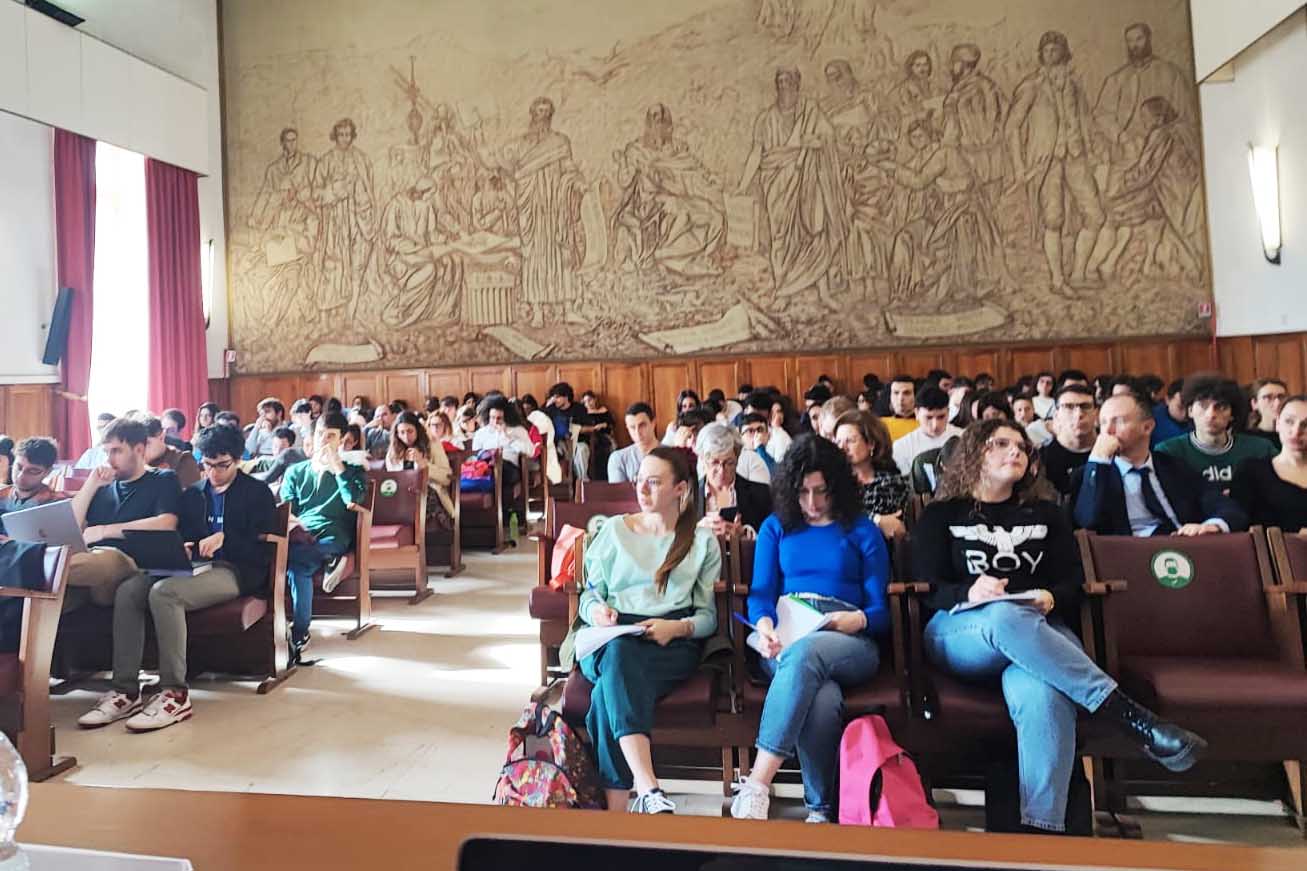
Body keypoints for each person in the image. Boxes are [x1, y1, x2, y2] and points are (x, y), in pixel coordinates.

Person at [915, 419, 1206, 834]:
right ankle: (1128, 716)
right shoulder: (942, 514)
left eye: (1021, 446)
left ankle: (1042, 834)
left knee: (1044, 694)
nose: (1015, 451)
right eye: (1001, 444)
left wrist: (1051, 597)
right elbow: (928, 587)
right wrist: (969, 591)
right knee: (1003, 614)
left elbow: (1071, 584)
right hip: (964, 631)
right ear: (975, 452)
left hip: (1038, 632)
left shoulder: (1048, 514)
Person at [731, 434, 890, 822]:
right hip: (787, 633)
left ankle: (756, 784)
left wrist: (857, 620)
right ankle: (820, 811)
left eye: (821, 492)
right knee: (821, 698)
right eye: (802, 493)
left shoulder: (862, 531)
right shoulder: (776, 527)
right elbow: (762, 594)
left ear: (837, 487)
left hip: (850, 638)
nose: (813, 504)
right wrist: (765, 627)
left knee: (806, 653)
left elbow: (882, 612)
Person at [78, 424, 278, 732]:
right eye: (207, 465)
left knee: (164, 593)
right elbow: (186, 535)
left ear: (238, 460)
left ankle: (174, 692)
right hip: (193, 566)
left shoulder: (256, 493)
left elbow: (263, 548)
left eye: (222, 465)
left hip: (234, 570)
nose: (214, 472)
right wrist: (184, 546)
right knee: (130, 590)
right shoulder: (194, 494)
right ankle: (126, 689)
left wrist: (227, 540)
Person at [576, 447, 720, 814]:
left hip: (670, 640)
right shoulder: (612, 531)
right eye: (640, 480)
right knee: (619, 657)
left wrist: (678, 627)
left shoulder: (700, 541)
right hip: (612, 635)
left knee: (604, 696)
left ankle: (617, 810)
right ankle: (647, 785)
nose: (642, 489)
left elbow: (708, 617)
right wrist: (599, 613)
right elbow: (588, 597)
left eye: (654, 482)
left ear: (680, 489)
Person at [1071, 392, 1247, 536]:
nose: (1108, 430)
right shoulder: (1090, 475)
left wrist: (1212, 526)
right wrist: (1098, 460)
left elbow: (1225, 507)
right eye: (1103, 423)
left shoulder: (1174, 467)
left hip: (1182, 550)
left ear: (1147, 427)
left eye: (1119, 421)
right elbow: (1087, 521)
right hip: (1128, 559)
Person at [67, 418, 182, 614]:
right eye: (106, 452)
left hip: (128, 562)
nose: (109, 460)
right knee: (47, 600)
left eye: (117, 451)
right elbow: (71, 527)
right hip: (89, 565)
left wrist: (104, 531)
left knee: (87, 562)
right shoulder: (102, 487)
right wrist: (90, 484)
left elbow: (166, 523)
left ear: (138, 449)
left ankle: (23, 567)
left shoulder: (163, 479)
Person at [280, 412, 366, 659]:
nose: (324, 441)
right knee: (298, 565)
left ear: (342, 440)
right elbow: (287, 510)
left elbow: (354, 501)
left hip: (334, 536)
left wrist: (338, 467)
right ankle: (299, 633)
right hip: (302, 537)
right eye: (320, 435)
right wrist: (297, 530)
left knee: (297, 559)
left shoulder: (353, 470)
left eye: (331, 436)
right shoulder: (296, 471)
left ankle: (298, 632)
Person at [1156, 375, 1275, 491]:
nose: (1211, 414)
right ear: (1190, 410)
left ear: (1232, 414)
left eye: (1221, 407)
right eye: (1203, 405)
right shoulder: (1168, 452)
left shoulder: (1260, 450)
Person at [1231, 395, 1307, 532]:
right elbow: (1239, 527)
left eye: (1306, 425)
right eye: (1289, 421)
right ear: (1277, 424)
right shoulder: (1251, 471)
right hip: (1270, 551)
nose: (1296, 431)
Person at [834, 411, 910, 542]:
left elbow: (856, 525)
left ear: (871, 444)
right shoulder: (833, 480)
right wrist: (877, 519)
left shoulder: (889, 483)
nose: (842, 448)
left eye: (850, 441)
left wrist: (874, 520)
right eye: (838, 442)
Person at [694, 424, 772, 538]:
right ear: (702, 460)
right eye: (714, 462)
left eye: (729, 463)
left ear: (738, 458)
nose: (721, 471)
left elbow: (772, 541)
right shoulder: (688, 496)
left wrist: (744, 534)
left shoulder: (761, 494)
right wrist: (696, 532)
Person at [387, 410, 455, 529]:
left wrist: (423, 464)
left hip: (432, 497)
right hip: (403, 496)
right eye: (401, 432)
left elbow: (447, 478)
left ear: (417, 430)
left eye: (410, 431)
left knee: (420, 491)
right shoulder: (394, 451)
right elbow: (393, 480)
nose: (406, 437)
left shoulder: (432, 444)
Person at [471, 398, 534, 520]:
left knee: (500, 470)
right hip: (485, 466)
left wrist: (508, 437)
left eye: (499, 418)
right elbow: (474, 454)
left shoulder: (517, 430)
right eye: (492, 418)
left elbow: (530, 451)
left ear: (507, 417)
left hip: (509, 467)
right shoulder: (482, 433)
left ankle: (501, 515)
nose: (495, 421)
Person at [1039, 383, 1097, 496]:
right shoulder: (1042, 459)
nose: (1079, 414)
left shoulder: (1113, 452)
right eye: (1069, 407)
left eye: (1085, 406)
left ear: (1096, 413)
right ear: (1056, 415)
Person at [891, 386, 962, 475]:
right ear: (917, 413)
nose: (935, 424)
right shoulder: (901, 447)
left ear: (948, 413)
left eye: (941, 417)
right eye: (929, 417)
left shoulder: (963, 437)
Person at [0, 437, 60, 535]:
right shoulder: (2, 494)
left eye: (32, 471)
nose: (21, 476)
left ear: (48, 472)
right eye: (18, 467)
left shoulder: (54, 505)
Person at [545, 383, 595, 480]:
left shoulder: (579, 409)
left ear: (566, 397)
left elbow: (590, 427)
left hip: (577, 442)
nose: (555, 400)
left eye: (557, 397)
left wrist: (576, 430)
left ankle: (582, 483)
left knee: (581, 450)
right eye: (553, 397)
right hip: (558, 444)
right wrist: (547, 406)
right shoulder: (550, 409)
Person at [137, 414, 201, 488]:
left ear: (162, 437)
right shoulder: (135, 462)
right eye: (137, 445)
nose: (141, 450)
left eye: (147, 443)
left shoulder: (182, 460)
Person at [609, 403, 659, 484]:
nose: (638, 432)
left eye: (642, 425)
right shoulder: (618, 458)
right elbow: (618, 495)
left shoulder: (671, 454)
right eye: (632, 427)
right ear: (627, 428)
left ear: (653, 423)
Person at [581, 391, 616, 482]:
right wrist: (593, 428)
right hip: (590, 438)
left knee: (610, 445)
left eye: (590, 400)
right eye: (585, 401)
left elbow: (611, 423)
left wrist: (604, 425)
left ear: (595, 400)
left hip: (604, 435)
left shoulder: (603, 410)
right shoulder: (583, 413)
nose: (588, 403)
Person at [1247, 378, 1289, 451]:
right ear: (1254, 403)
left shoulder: (1295, 435)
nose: (1277, 403)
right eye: (1268, 397)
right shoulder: (1247, 438)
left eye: (1281, 397)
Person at [1150, 378, 1189, 447]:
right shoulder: (1150, 420)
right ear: (1167, 400)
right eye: (1180, 407)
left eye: (1190, 407)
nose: (1186, 413)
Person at [737, 413, 776, 483]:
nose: (756, 435)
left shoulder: (771, 456)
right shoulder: (737, 460)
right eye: (750, 431)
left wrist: (760, 448)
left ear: (768, 435)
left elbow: (775, 477)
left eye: (760, 430)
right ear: (740, 437)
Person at [883, 375, 918, 441]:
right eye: (896, 393)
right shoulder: (881, 425)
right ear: (890, 396)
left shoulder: (926, 423)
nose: (900, 398)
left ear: (915, 396)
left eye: (907, 393)